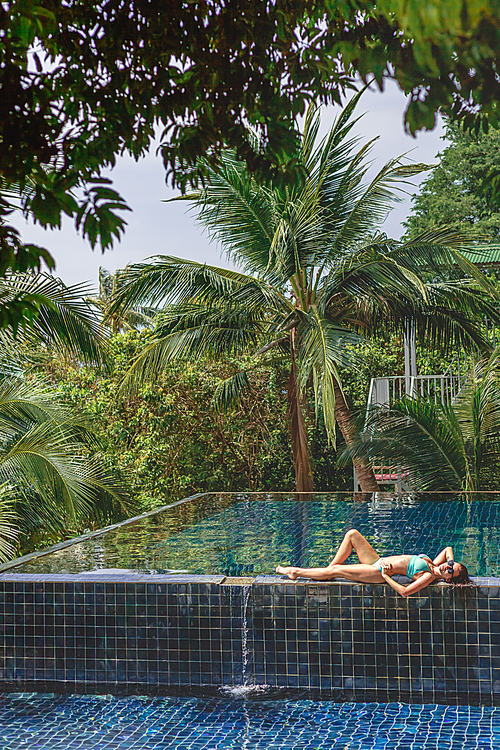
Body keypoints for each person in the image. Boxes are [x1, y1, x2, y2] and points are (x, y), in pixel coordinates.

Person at [275, 529, 471, 597]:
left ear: (447, 580)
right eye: (451, 565)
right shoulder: (433, 564)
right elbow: (447, 549)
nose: (449, 567)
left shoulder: (428, 576)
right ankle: (327, 572)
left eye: (451, 571)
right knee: (352, 535)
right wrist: (451, 562)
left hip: (377, 572)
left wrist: (385, 576)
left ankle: (295, 572)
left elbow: (405, 592)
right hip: (378, 560)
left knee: (337, 570)